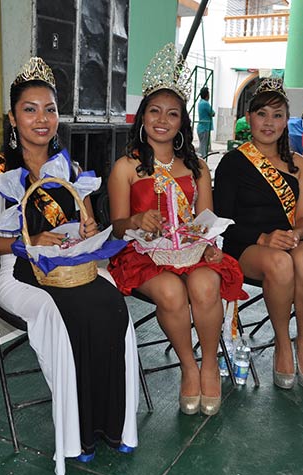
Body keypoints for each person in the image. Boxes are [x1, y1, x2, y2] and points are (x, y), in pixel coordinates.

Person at [0, 56, 139, 475]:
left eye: (49, 109)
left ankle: (113, 424)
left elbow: (89, 226)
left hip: (71, 268)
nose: (41, 119)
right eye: (30, 109)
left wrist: (87, 230)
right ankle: (77, 434)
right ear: (13, 117)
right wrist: (27, 243)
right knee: (72, 314)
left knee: (111, 302)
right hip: (19, 272)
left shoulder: (70, 168)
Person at [107, 44, 246, 417]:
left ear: (183, 121)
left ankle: (211, 365)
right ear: (142, 118)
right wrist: (136, 221)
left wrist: (211, 245)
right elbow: (117, 227)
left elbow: (207, 219)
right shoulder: (125, 167)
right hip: (143, 256)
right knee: (170, 291)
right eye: (154, 111)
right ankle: (189, 366)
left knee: (204, 284)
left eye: (172, 113)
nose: (162, 119)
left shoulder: (197, 166)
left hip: (191, 251)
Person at [213, 78, 303, 391]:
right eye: (262, 114)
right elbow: (222, 220)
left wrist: (296, 235)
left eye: (277, 115)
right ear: (249, 118)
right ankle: (282, 345)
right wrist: (263, 238)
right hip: (245, 244)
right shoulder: (232, 162)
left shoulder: (298, 163)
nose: (269, 122)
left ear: (287, 120)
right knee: (280, 264)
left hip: (288, 241)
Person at [196, 86, 215, 158]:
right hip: (205, 127)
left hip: (201, 127)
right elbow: (212, 113)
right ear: (207, 95)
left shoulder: (200, 102)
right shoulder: (205, 103)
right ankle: (202, 161)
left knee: (202, 145)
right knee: (203, 147)